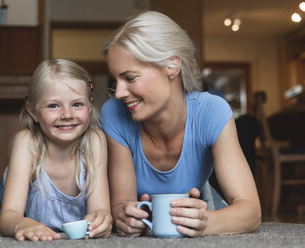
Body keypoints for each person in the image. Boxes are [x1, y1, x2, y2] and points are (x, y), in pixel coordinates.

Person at [100, 11, 261, 237]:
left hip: (201, 205)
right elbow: (121, 204)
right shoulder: (114, 114)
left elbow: (251, 212)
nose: (118, 93)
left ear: (172, 66)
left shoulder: (211, 112)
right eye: (115, 80)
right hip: (148, 221)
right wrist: (125, 217)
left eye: (130, 78)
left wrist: (206, 222)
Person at [0, 59, 112, 241]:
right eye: (54, 106)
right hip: (20, 220)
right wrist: (21, 224)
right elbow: (8, 215)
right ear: (33, 111)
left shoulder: (95, 141)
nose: (67, 115)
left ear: (90, 105)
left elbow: (99, 209)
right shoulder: (26, 143)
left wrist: (101, 220)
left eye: (77, 104)